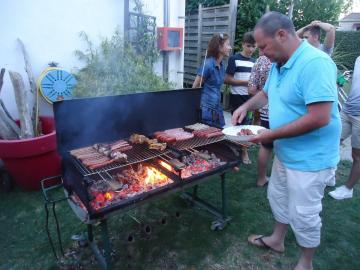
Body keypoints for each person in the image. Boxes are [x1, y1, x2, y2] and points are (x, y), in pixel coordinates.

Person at [232, 12, 341, 270]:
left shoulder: (316, 63)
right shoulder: (279, 64)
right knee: (278, 196)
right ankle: (277, 240)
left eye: (263, 46)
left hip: (311, 160)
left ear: (281, 34)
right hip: (286, 152)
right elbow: (266, 94)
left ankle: (306, 263)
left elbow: (320, 117)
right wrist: (245, 107)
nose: (261, 52)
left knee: (304, 215)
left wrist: (269, 135)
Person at [329, 56, 360, 200]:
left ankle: (348, 189)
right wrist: (344, 78)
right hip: (347, 110)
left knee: (357, 155)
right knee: (331, 143)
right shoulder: (358, 59)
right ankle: (329, 176)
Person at [224, 32, 256, 164]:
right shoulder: (234, 59)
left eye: (254, 46)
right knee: (238, 125)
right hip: (237, 97)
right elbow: (226, 79)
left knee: (247, 124)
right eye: (248, 46)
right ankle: (243, 151)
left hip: (250, 99)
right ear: (243, 44)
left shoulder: (255, 61)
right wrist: (244, 82)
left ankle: (240, 147)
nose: (251, 49)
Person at [192, 33, 232, 128]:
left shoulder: (222, 65)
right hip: (206, 110)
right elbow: (195, 87)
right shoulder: (208, 64)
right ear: (219, 46)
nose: (230, 48)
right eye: (228, 44)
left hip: (217, 108)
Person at [248, 53, 272, 187]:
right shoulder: (285, 58)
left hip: (266, 110)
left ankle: (261, 178)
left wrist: (264, 98)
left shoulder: (259, 61)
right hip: (285, 111)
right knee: (283, 146)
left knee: (266, 146)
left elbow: (251, 89)